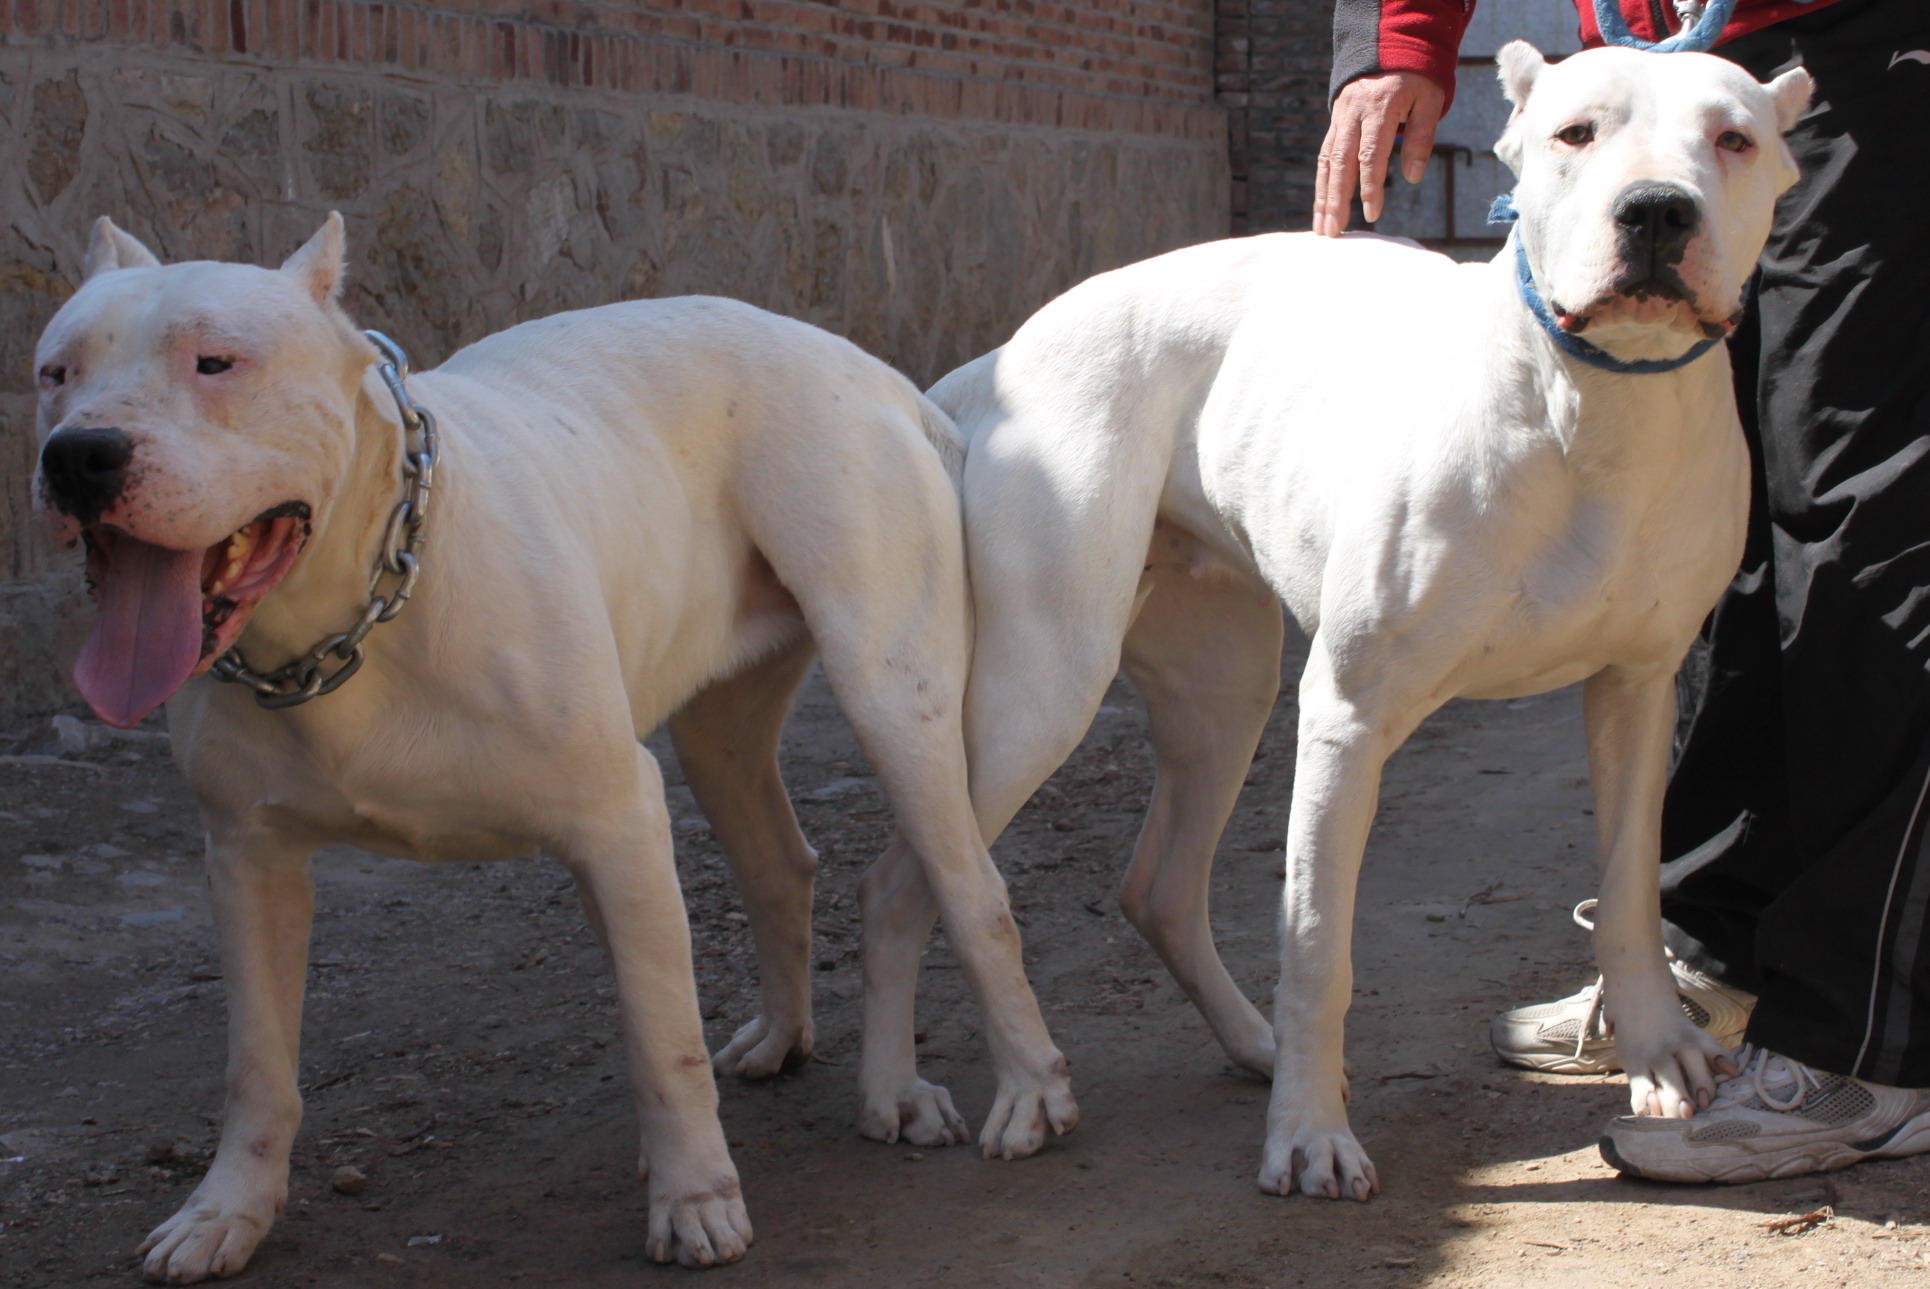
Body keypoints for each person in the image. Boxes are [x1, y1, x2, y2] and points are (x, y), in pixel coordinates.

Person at [1317, 0, 1930, 1183]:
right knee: (1708, 522)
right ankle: (1711, 953)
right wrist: (1402, 38)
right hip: (1692, 54)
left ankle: (1867, 1045)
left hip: (1872, 48)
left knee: (1860, 523)